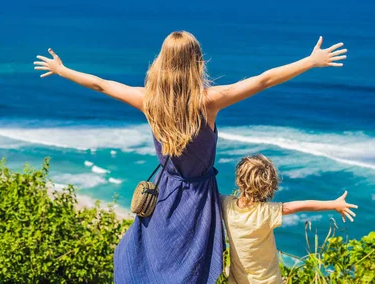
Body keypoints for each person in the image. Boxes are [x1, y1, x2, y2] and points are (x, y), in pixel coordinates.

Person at [33, 31, 347, 284]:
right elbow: (263, 80)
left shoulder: (149, 101)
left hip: (165, 198)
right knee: (193, 269)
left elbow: (102, 85)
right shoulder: (208, 102)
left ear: (162, 61)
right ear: (196, 62)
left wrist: (61, 70)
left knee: (151, 261)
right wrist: (309, 61)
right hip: (199, 201)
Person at [221, 154, 357, 284]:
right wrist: (333, 204)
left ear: (239, 179)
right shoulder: (267, 211)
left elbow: (205, 192)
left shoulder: (226, 205)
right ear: (268, 186)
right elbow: (301, 205)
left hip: (237, 280)